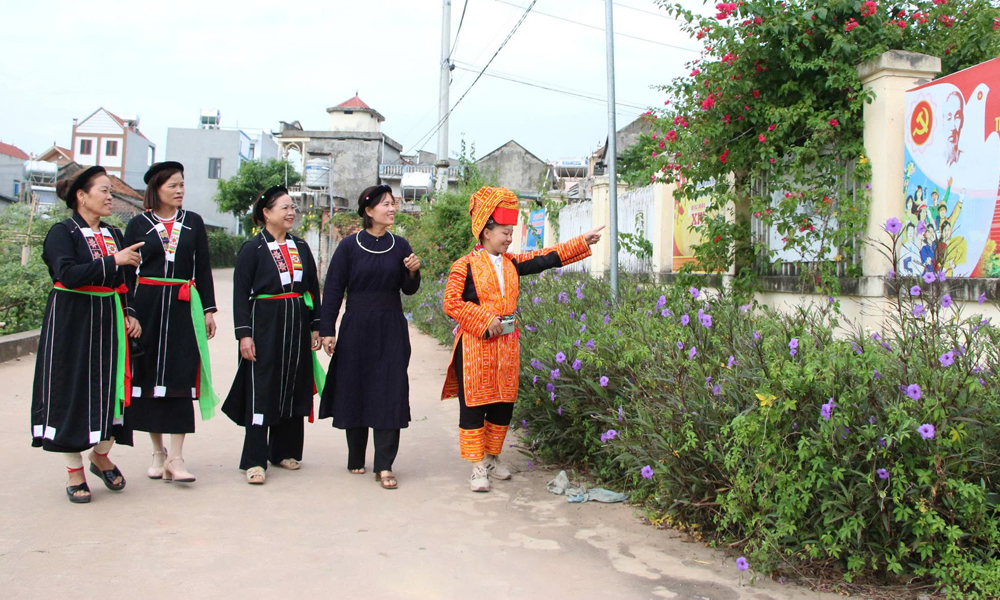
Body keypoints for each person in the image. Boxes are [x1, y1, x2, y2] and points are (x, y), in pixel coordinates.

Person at [441, 186, 603, 492]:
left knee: (503, 403)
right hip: (475, 347)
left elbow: (546, 257)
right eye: (504, 231)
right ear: (485, 231)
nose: (509, 238)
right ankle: (477, 467)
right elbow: (451, 303)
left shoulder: (512, 263)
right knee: (475, 404)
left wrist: (582, 241)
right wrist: (483, 319)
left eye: (511, 232)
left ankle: (492, 458)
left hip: (507, 345)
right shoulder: (464, 266)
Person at [31, 166, 144, 503]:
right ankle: (74, 468)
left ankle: (101, 453)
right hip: (72, 319)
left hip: (109, 317)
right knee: (72, 387)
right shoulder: (61, 232)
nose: (111, 197)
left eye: (112, 191)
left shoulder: (114, 234)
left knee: (112, 387)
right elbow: (68, 273)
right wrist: (114, 261)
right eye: (104, 191)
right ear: (81, 196)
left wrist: (129, 311)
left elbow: (127, 281)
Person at [318, 184, 421, 490]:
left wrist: (414, 273)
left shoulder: (400, 245)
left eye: (393, 203)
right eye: (386, 204)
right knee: (356, 387)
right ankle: (355, 455)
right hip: (356, 326)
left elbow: (409, 290)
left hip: (390, 326)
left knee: (390, 389)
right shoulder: (349, 247)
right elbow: (334, 289)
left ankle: (385, 465)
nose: (392, 208)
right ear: (368, 210)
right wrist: (327, 330)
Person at [124, 162, 218, 484]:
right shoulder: (138, 224)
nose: (180, 191)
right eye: (172, 186)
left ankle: (177, 457)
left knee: (180, 374)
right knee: (148, 375)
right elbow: (127, 274)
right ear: (157, 190)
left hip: (182, 306)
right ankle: (158, 452)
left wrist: (208, 309)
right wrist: (129, 311)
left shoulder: (193, 223)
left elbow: (202, 268)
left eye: (182, 185)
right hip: (147, 305)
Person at [222, 186, 322, 485]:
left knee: (293, 382)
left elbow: (312, 289)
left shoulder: (301, 246)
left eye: (293, 207)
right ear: (266, 213)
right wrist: (244, 335)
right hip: (265, 323)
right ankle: (254, 459)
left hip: (297, 322)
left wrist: (316, 325)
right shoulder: (252, 249)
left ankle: (284, 451)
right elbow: (241, 294)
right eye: (285, 208)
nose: (291, 212)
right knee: (261, 386)